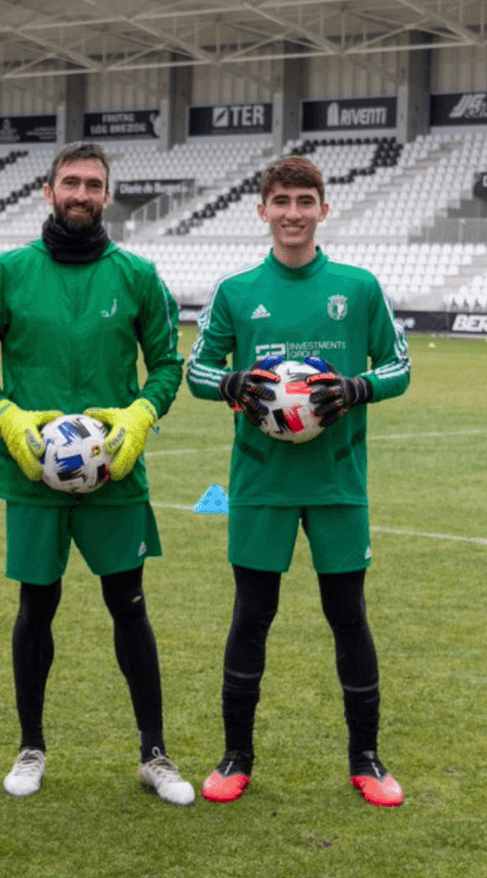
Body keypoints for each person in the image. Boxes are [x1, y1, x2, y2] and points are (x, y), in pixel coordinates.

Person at [0, 141, 194, 806]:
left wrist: (141, 415)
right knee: (37, 607)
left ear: (107, 195)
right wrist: (6, 417)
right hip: (33, 477)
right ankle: (30, 748)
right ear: (48, 191)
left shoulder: (138, 274)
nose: (81, 194)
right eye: (70, 182)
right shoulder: (8, 271)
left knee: (130, 607)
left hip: (116, 474)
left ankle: (155, 754)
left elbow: (169, 364)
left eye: (93, 184)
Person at [185, 154, 411, 808]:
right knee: (252, 614)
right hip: (261, 481)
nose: (292, 213)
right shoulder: (236, 292)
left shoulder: (358, 287)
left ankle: (366, 758)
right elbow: (198, 371)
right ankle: (236, 756)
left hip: (339, 479)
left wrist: (357, 387)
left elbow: (398, 366)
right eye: (280, 201)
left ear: (323, 209)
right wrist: (230, 384)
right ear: (263, 210)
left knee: (348, 616)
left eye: (303, 201)